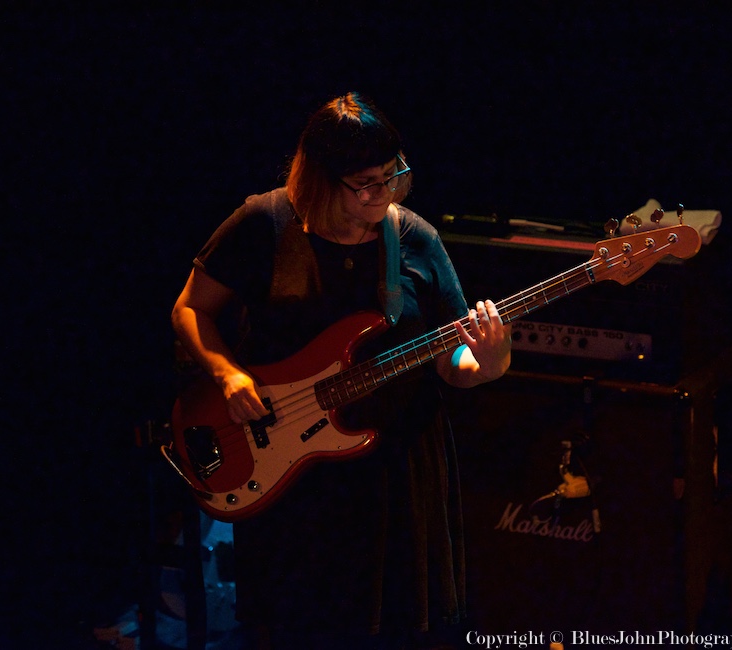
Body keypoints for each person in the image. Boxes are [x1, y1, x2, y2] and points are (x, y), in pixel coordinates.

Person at [171, 91, 511, 650]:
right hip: (290, 473)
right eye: (365, 184)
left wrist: (490, 359)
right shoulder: (263, 222)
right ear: (321, 180)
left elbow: (455, 361)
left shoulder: (414, 238)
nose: (383, 193)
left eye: (392, 176)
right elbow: (190, 309)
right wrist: (226, 374)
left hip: (395, 477)